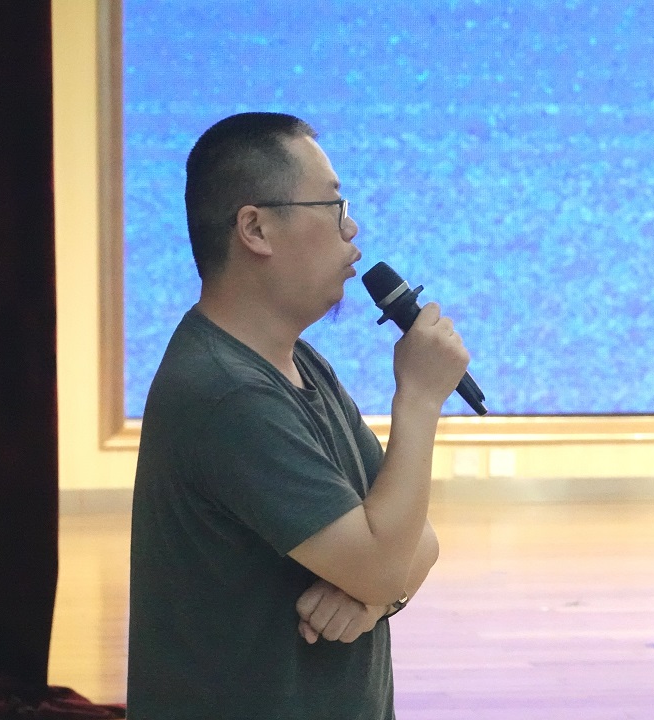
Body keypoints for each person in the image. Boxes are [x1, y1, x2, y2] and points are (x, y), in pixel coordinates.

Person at [126, 112, 470, 719]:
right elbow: (387, 561)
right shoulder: (228, 395)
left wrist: (372, 599)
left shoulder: (296, 361)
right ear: (255, 228)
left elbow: (415, 538)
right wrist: (418, 399)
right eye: (333, 207)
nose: (351, 228)